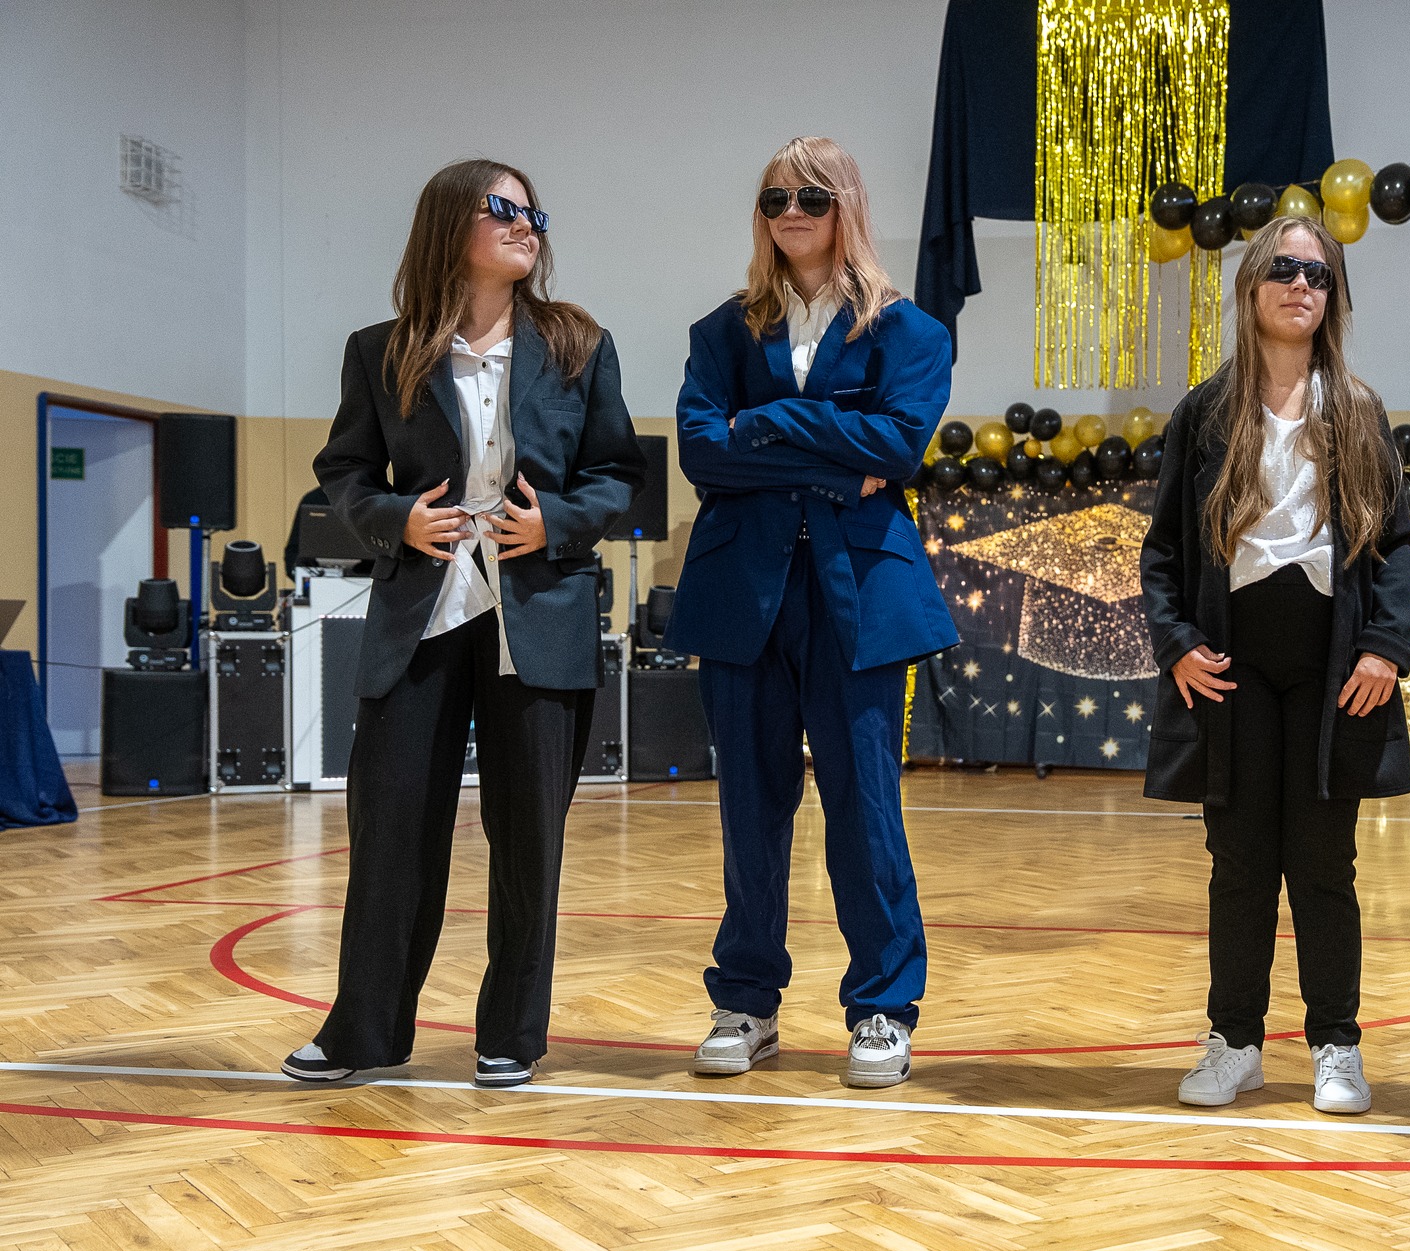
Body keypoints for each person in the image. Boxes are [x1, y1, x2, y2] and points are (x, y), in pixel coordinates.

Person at [283, 159, 645, 1088]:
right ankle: (363, 1033)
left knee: (529, 843)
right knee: (391, 834)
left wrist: (557, 522)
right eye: (504, 210)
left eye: (534, 214)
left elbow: (617, 472)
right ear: (451, 223)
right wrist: (392, 519)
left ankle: (511, 1035)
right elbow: (344, 470)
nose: (527, 225)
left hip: (541, 615)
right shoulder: (381, 350)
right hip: (421, 612)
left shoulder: (579, 344)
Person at [665, 136, 956, 1089]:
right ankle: (746, 1001)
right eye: (775, 198)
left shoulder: (909, 332)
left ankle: (882, 1008)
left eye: (811, 197)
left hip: (859, 594)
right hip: (740, 596)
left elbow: (899, 445)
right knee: (749, 810)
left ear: (847, 208)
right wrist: (836, 456)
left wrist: (768, 423)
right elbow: (703, 453)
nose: (791, 211)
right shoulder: (721, 332)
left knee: (865, 808)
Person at [1140, 215, 1410, 1115]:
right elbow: (1163, 551)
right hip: (1234, 667)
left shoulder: (1360, 411)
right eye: (1286, 270)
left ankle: (1337, 1044)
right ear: (1252, 285)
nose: (1302, 285)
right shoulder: (1205, 412)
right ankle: (1235, 1043)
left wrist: (1386, 645)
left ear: (1333, 297)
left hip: (1334, 670)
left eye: (1319, 275)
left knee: (1324, 863)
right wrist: (1177, 642)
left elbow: (1395, 546)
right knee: (1240, 862)